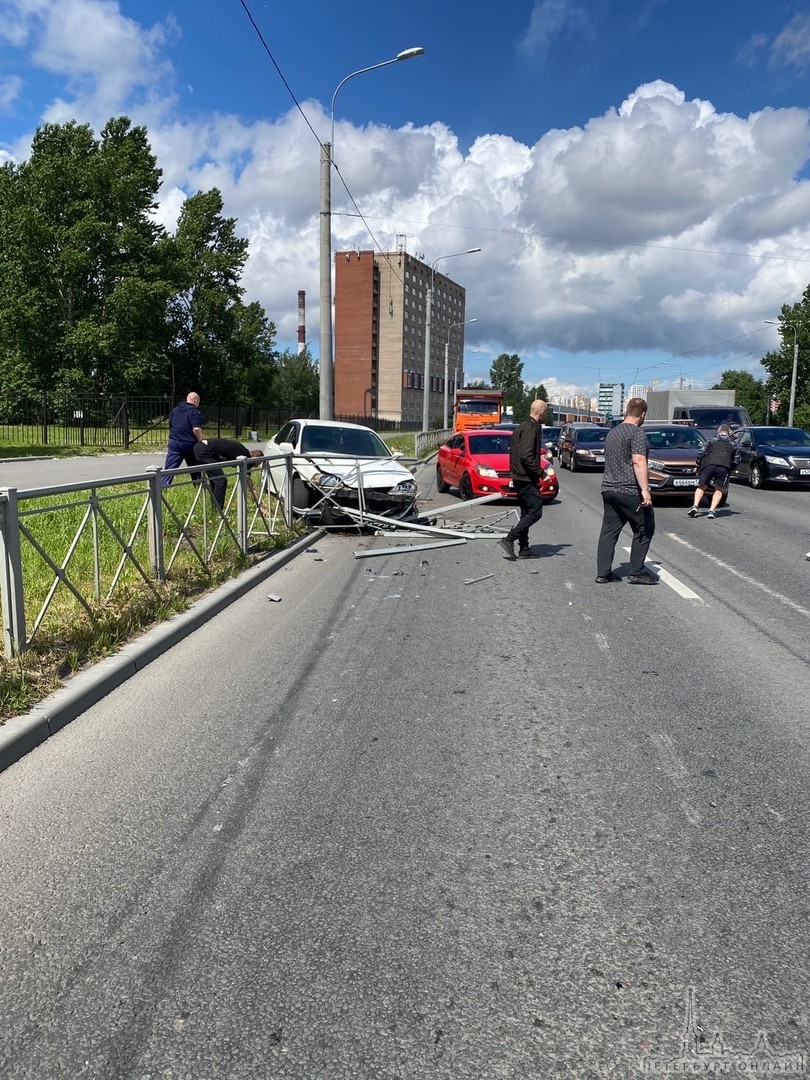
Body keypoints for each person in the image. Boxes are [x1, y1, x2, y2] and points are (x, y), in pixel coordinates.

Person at [595, 397, 657, 585]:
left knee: (609, 531)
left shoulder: (612, 433)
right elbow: (638, 460)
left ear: (627, 411)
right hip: (629, 490)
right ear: (643, 414)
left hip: (609, 489)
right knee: (645, 527)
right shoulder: (637, 433)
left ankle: (603, 573)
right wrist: (645, 490)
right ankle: (637, 572)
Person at [497, 398, 549, 560]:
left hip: (520, 476)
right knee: (536, 511)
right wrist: (541, 473)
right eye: (545, 413)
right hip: (525, 477)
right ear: (541, 413)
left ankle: (524, 548)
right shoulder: (529, 429)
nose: (546, 415)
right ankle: (509, 539)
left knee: (526, 511)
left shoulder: (523, 427)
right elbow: (526, 455)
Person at [193, 437, 264, 511]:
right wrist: (261, 506)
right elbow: (251, 487)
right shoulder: (246, 458)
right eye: (258, 464)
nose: (256, 467)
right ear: (255, 460)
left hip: (202, 447)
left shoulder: (242, 450)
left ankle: (214, 508)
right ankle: (218, 511)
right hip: (205, 451)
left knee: (215, 480)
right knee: (221, 481)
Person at [688, 424, 740, 519]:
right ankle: (711, 510)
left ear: (718, 431)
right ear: (729, 433)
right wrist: (730, 468)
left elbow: (701, 452)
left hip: (709, 465)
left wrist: (698, 464)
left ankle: (695, 506)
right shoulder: (733, 444)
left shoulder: (711, 440)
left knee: (701, 486)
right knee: (719, 489)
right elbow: (737, 460)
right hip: (724, 467)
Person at [162, 392, 203, 487]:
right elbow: (196, 429)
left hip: (174, 442)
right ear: (196, 401)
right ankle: (198, 486)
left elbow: (171, 425)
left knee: (169, 468)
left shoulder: (175, 410)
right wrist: (200, 441)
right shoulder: (194, 411)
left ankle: (162, 487)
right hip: (189, 444)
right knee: (195, 467)